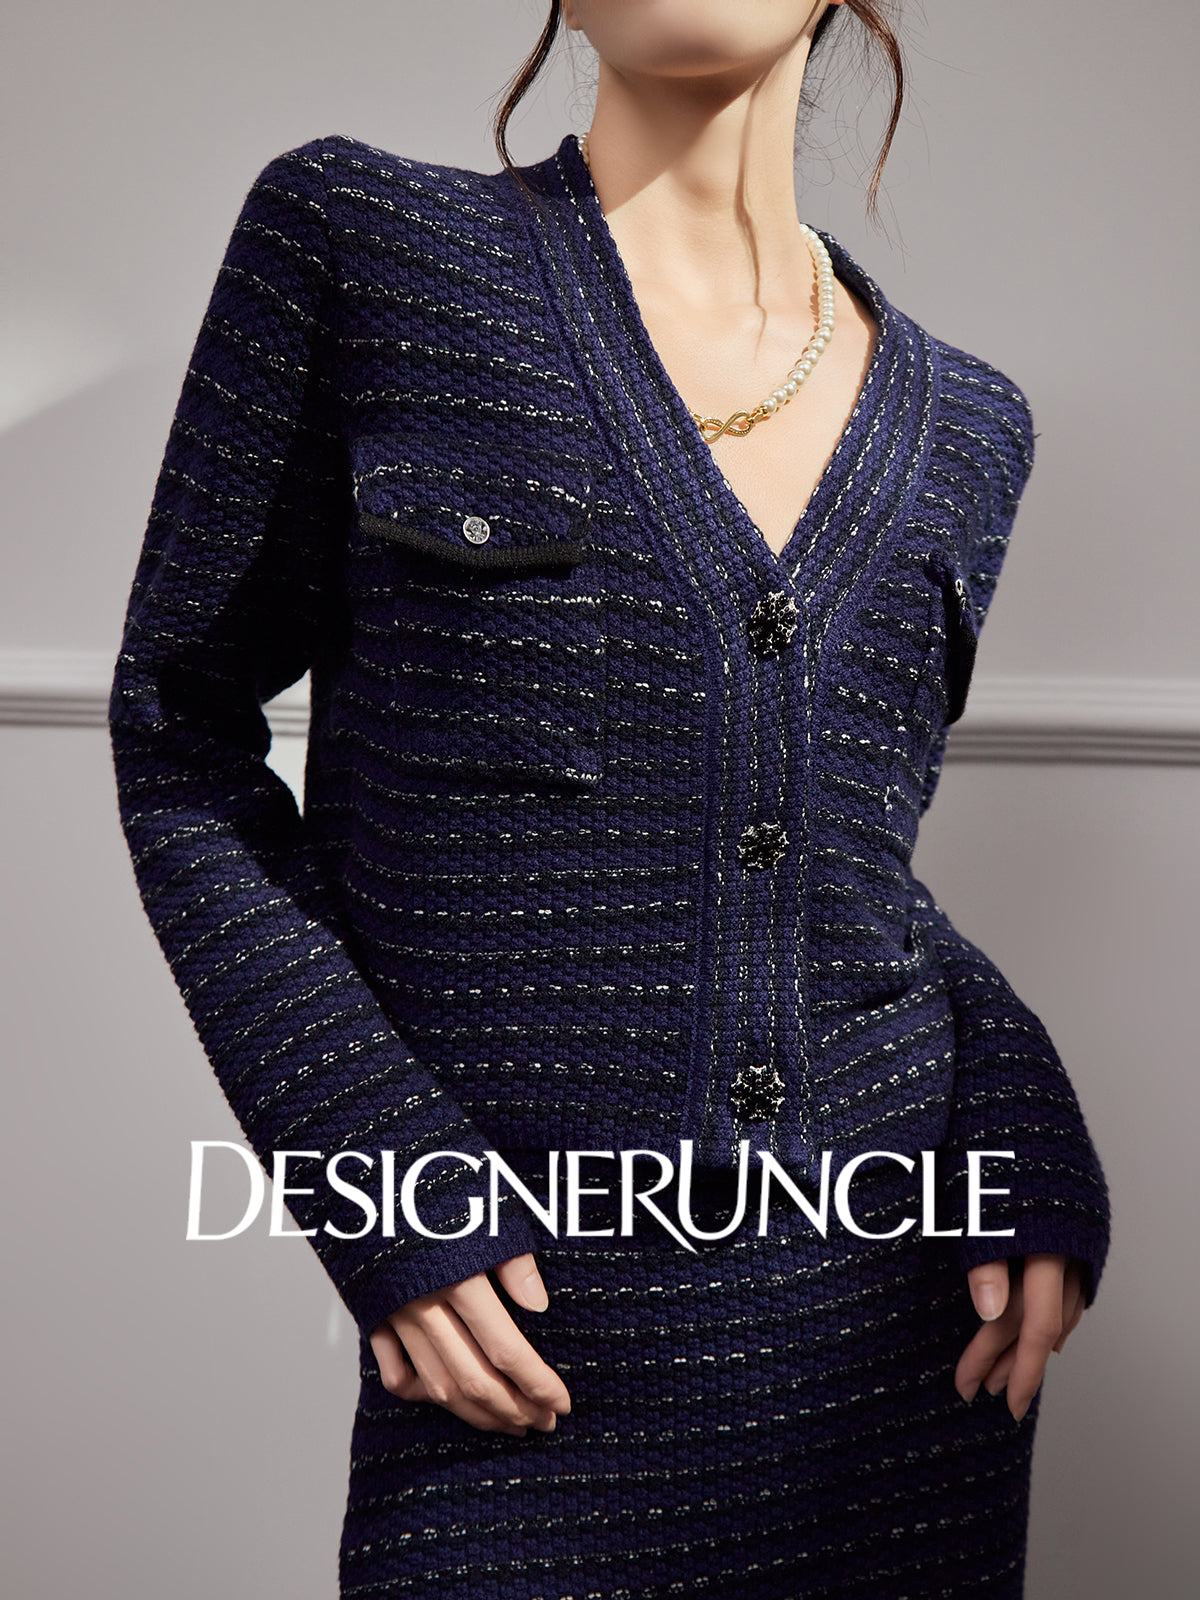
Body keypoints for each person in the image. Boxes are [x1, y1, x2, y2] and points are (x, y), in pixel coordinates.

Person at [108, 2, 1112, 1595]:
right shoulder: (366, 246)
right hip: (525, 1382)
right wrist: (374, 1171)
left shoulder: (973, 426)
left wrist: (1021, 1107)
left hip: (906, 1373)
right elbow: (180, 739)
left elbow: (845, 877)